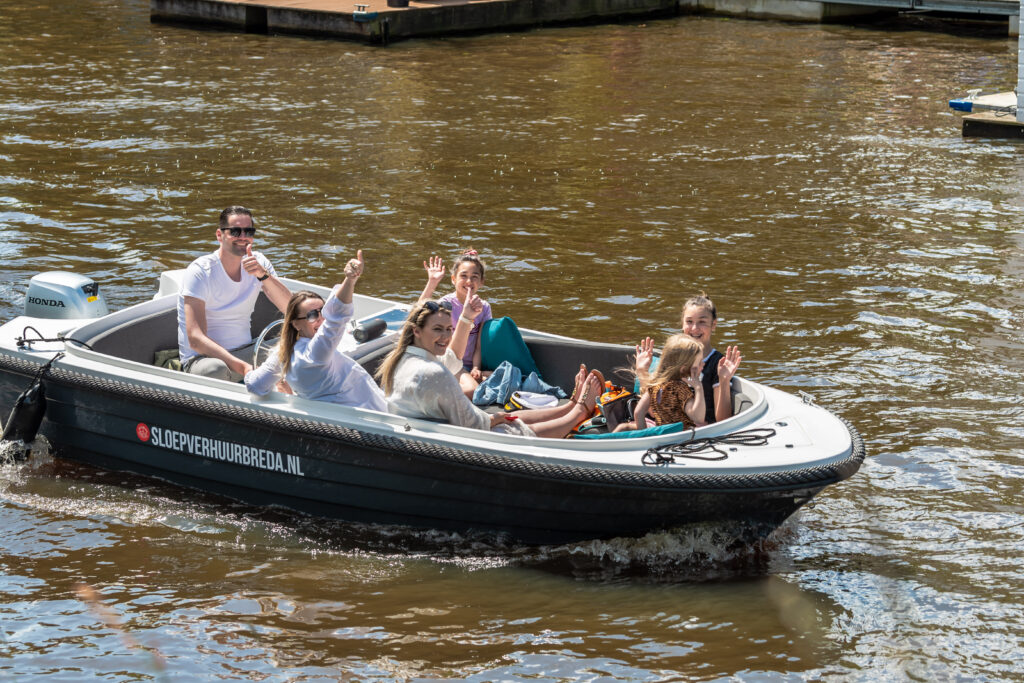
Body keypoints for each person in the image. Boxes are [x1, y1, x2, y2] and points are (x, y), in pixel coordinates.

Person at [375, 300, 599, 437]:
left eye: (448, 329)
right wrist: (495, 419)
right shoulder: (432, 373)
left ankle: (569, 406)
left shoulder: (401, 358)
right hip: (453, 437)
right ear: (416, 330)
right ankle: (578, 412)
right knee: (512, 425)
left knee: (505, 416)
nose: (445, 336)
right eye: (437, 329)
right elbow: (473, 424)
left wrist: (465, 319)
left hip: (432, 427)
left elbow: (452, 357)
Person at [244, 250, 387, 412]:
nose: (321, 319)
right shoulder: (316, 353)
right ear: (295, 324)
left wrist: (246, 370)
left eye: (323, 311)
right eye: (312, 315)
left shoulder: (283, 353)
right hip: (372, 420)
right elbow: (337, 316)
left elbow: (255, 385)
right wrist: (349, 279)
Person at [177, 206, 291, 381]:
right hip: (205, 360)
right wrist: (243, 367)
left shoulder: (259, 262)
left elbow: (292, 309)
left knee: (299, 343)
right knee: (216, 370)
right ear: (219, 235)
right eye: (235, 231)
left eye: (249, 231)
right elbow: (196, 339)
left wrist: (263, 276)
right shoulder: (200, 271)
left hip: (246, 351)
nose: (243, 237)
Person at [635, 292, 742, 424]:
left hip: (700, 431)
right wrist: (642, 371)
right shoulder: (674, 357)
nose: (694, 328)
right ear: (682, 323)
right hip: (667, 427)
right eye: (689, 321)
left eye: (702, 322)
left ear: (713, 324)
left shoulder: (717, 363)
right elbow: (652, 411)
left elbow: (723, 420)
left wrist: (724, 380)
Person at [417, 250, 491, 397]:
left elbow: (479, 344)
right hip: (451, 362)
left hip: (470, 365)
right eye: (463, 276)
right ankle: (433, 396)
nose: (469, 281)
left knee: (502, 375)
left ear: (481, 282)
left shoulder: (484, 307)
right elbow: (418, 314)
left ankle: (463, 382)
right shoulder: (446, 304)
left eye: (474, 277)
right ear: (453, 279)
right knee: (472, 390)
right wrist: (432, 282)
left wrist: (476, 367)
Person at [616, 334, 706, 432]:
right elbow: (698, 417)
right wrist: (699, 388)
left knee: (623, 428)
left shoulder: (655, 387)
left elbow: (638, 412)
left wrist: (644, 434)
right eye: (700, 362)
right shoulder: (680, 390)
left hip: (661, 433)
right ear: (684, 369)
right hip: (679, 437)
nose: (703, 364)